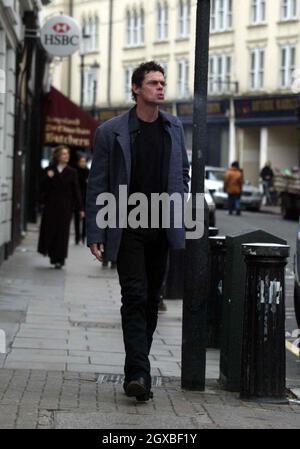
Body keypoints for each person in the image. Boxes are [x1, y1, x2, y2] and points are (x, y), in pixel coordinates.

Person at [86, 61, 190, 402]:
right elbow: (98, 182)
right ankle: (139, 374)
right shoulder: (111, 131)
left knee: (151, 299)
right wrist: (95, 231)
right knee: (133, 295)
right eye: (153, 83)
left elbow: (182, 174)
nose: (161, 88)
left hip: (162, 224)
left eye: (163, 82)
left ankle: (137, 367)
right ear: (136, 89)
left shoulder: (173, 127)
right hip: (127, 225)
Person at [38, 145, 84, 269]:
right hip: (51, 207)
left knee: (63, 233)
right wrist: (48, 177)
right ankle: (53, 256)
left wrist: (80, 209)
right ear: (58, 156)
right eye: (63, 154)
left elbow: (76, 191)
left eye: (67, 154)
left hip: (65, 208)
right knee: (51, 231)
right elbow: (41, 187)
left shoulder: (72, 172)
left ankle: (61, 258)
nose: (66, 156)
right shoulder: (50, 170)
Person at [74, 154, 89, 244]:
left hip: (86, 198)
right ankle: (77, 237)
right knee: (76, 218)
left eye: (84, 162)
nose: (83, 163)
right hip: (78, 198)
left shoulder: (88, 172)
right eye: (81, 162)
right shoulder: (76, 172)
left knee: (85, 219)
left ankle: (83, 236)